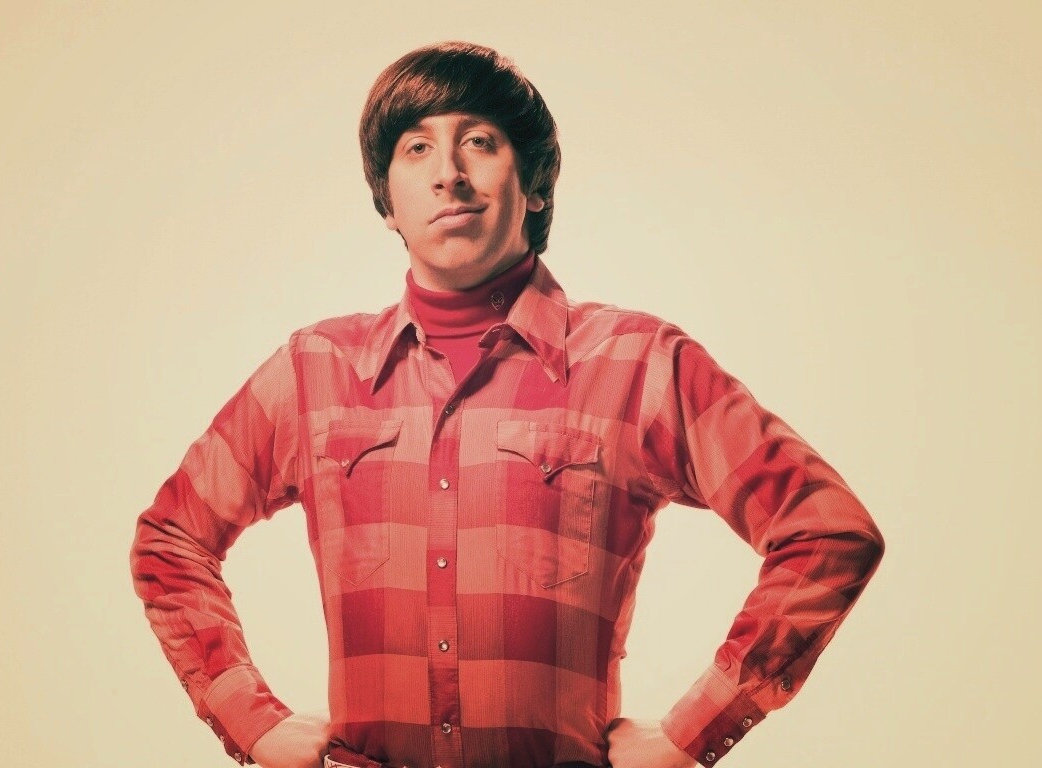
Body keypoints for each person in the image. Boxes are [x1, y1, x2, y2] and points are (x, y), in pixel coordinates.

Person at [130, 40, 885, 768]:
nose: (448, 174)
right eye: (416, 148)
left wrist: (694, 731)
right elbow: (172, 540)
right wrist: (251, 721)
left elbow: (827, 532)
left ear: (536, 184)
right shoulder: (313, 370)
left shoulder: (637, 363)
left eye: (479, 142)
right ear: (387, 202)